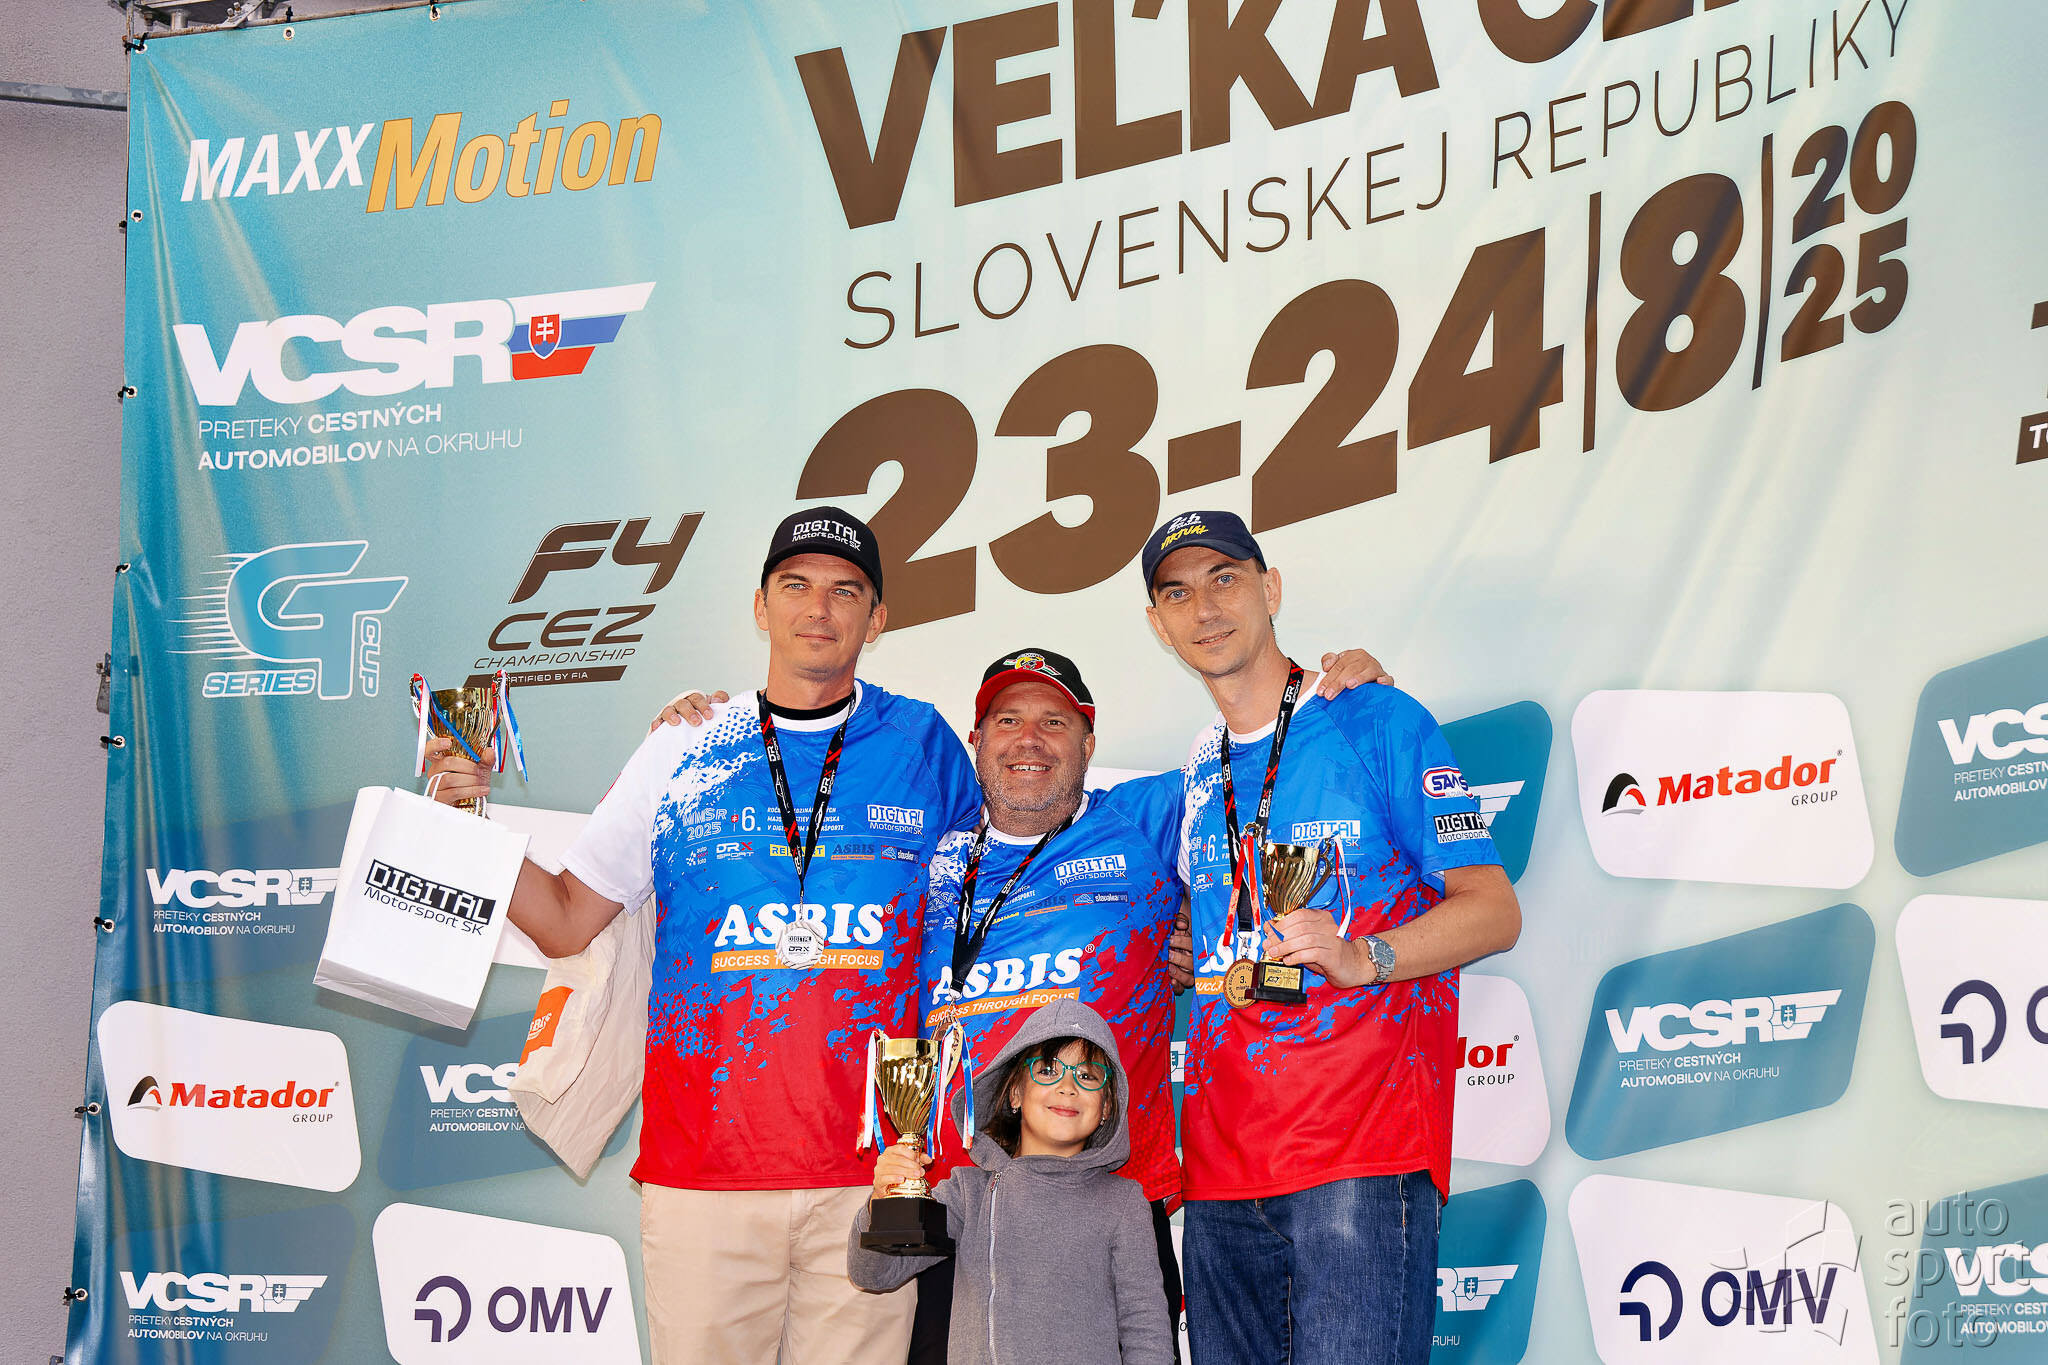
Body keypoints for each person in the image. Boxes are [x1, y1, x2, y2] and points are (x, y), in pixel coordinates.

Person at [426, 506, 978, 1365]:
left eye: (845, 591)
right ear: (760, 606)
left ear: (878, 618)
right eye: (794, 585)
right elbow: (565, 917)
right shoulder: (684, 745)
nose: (818, 608)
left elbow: (991, 906)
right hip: (703, 1172)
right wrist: (465, 816)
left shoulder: (925, 745)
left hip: (874, 1175)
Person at [1140, 509, 1522, 1365]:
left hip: (1360, 1159)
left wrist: (1363, 957)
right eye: (1178, 592)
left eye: (1225, 578)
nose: (1206, 607)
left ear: (1270, 588)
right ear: (1158, 624)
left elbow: (1494, 908)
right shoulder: (1196, 767)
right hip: (1219, 1177)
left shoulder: (1374, 718)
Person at [846, 1000, 1175, 1365]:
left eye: (1087, 1076)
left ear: (1107, 1107)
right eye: (1047, 1070)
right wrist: (885, 1200)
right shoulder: (966, 1194)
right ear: (1016, 1093)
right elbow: (874, 1272)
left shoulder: (1123, 1203)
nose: (1067, 1087)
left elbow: (1146, 1332)